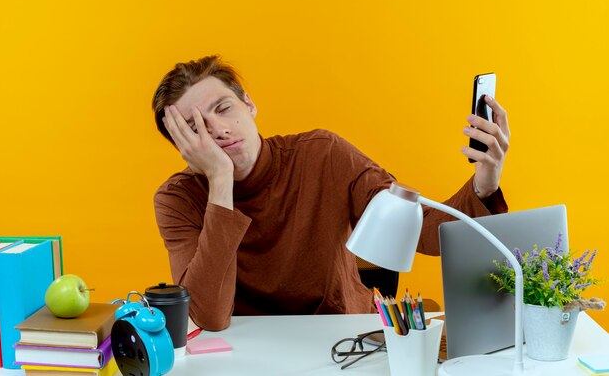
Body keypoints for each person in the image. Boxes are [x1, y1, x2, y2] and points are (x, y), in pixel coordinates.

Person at [152, 55, 510, 331]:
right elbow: (209, 317)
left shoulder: (322, 154)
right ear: (182, 146)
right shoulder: (178, 199)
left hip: (343, 338)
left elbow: (425, 231)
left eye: (224, 108)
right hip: (250, 348)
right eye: (195, 128)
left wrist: (485, 182)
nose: (218, 130)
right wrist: (220, 180)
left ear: (249, 104)